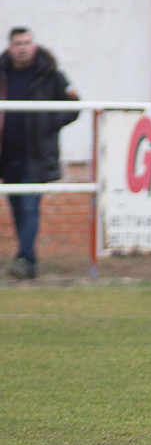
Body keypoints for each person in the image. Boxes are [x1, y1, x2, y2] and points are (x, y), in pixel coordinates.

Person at [0, 27, 80, 280]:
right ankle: (28, 260)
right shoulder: (3, 73)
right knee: (18, 208)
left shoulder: (51, 74)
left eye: (27, 42)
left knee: (30, 205)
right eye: (17, 43)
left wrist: (47, 122)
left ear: (33, 45)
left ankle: (24, 259)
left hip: (35, 156)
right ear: (10, 47)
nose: (23, 47)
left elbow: (74, 106)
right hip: (7, 155)